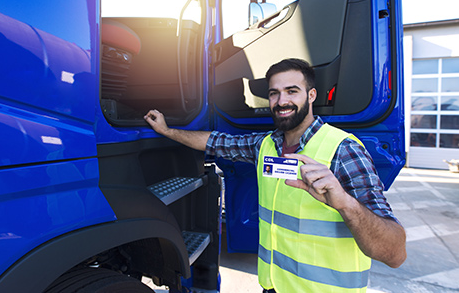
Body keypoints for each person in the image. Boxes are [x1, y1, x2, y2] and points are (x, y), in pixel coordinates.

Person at [144, 58, 406, 293]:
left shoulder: (343, 151)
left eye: (292, 91)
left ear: (311, 95)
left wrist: (345, 203)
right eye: (274, 93)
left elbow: (394, 253)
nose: (282, 102)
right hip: (273, 288)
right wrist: (168, 132)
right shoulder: (265, 145)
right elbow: (216, 142)